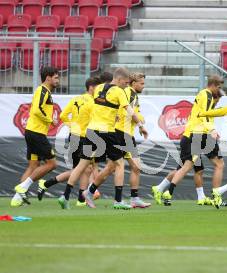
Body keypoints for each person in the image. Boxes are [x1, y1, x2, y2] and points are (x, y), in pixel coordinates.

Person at [58, 68, 147, 209]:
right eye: (125, 82)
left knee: (82, 164)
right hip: (107, 132)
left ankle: (65, 196)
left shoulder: (98, 88)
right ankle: (118, 201)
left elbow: (97, 107)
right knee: (119, 164)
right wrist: (141, 126)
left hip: (91, 131)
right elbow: (129, 110)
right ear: (118, 79)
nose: (125, 85)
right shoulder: (119, 91)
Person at [151, 75, 225, 206]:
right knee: (205, 165)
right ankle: (215, 196)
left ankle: (163, 188)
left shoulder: (202, 96)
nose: (217, 101)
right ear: (213, 85)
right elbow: (204, 116)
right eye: (218, 88)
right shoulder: (207, 95)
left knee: (194, 169)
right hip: (197, 135)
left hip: (191, 135)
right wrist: (212, 129)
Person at [38, 77, 101, 207]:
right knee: (82, 168)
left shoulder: (76, 99)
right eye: (98, 88)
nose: (99, 91)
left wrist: (72, 125)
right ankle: (72, 196)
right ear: (91, 87)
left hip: (74, 136)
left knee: (83, 169)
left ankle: (79, 199)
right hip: (85, 137)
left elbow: (62, 116)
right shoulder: (93, 102)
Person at [11, 67, 60, 207]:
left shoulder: (45, 91)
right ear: (48, 78)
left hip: (32, 132)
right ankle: (23, 187)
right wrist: (49, 120)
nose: (58, 80)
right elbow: (37, 110)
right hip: (36, 133)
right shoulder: (43, 90)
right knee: (52, 164)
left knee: (33, 165)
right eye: (56, 77)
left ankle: (17, 198)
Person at [113, 72, 150, 208]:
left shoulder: (132, 94)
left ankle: (134, 198)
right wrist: (140, 123)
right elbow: (126, 109)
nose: (143, 86)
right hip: (122, 133)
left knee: (134, 166)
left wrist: (139, 121)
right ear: (133, 83)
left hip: (126, 133)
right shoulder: (129, 92)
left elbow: (132, 111)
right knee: (119, 167)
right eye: (141, 83)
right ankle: (91, 191)